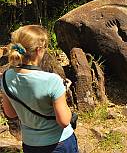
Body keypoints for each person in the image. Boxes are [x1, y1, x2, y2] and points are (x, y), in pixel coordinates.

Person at [0, 25, 78, 153]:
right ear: (38, 50)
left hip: (31, 144)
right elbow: (64, 121)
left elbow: (11, 113)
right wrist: (62, 94)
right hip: (59, 143)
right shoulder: (52, 80)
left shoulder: (6, 78)